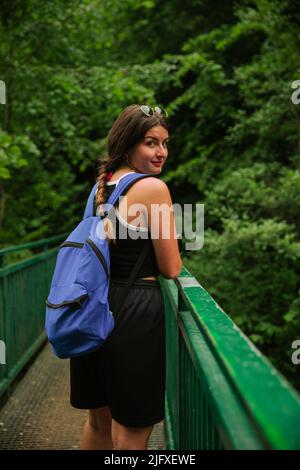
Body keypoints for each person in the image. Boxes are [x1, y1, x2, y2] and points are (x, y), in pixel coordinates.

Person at [70, 104, 182, 450]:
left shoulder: (101, 186)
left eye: (164, 143)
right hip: (133, 315)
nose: (160, 152)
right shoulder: (152, 188)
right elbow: (171, 268)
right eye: (151, 143)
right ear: (129, 143)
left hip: (91, 308)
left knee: (99, 424)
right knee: (131, 434)